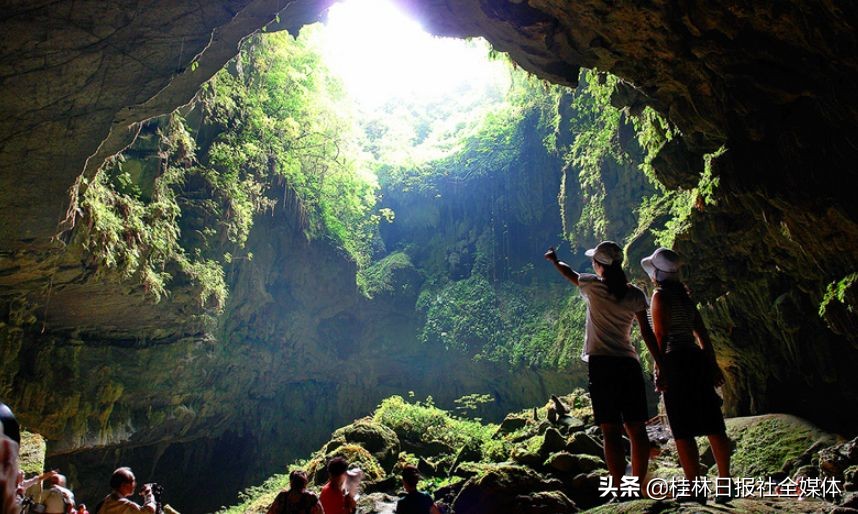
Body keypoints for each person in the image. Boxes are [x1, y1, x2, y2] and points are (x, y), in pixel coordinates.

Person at [545, 242, 662, 493]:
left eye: (594, 261)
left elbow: (569, 273)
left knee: (610, 431)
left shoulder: (592, 285)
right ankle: (636, 485)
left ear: (599, 265)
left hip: (602, 365)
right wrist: (660, 363)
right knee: (636, 430)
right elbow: (647, 333)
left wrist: (554, 260)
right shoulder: (635, 294)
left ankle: (619, 488)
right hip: (628, 364)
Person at [641, 247, 731, 504]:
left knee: (682, 429)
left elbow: (661, 336)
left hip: (675, 362)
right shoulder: (684, 297)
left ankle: (695, 488)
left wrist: (660, 369)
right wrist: (711, 365)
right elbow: (702, 334)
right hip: (696, 360)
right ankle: (725, 483)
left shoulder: (660, 296)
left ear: (657, 274)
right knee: (713, 423)